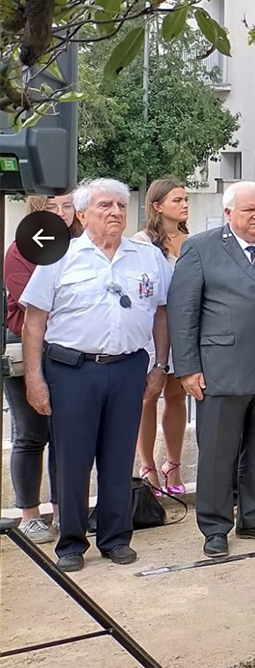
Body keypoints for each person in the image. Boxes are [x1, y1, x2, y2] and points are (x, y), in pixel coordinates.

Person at [20, 180, 169, 572]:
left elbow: (161, 314)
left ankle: (116, 538)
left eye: (121, 204)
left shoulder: (147, 257)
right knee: (72, 460)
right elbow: (34, 323)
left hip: (128, 367)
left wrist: (160, 365)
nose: (116, 211)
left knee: (119, 459)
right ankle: (70, 542)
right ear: (83, 215)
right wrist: (34, 379)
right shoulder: (59, 256)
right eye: (105, 205)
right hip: (72, 371)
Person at [169, 180, 255, 559]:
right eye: (249, 210)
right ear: (229, 212)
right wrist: (187, 368)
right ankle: (215, 527)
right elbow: (184, 313)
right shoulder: (201, 249)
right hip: (223, 370)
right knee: (218, 453)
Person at [4, 193, 76, 544]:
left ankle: (64, 510)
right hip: (28, 347)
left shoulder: (81, 244)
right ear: (37, 208)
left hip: (69, 351)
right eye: (52, 207)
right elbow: (30, 301)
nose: (61, 213)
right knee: (31, 434)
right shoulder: (21, 248)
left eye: (67, 205)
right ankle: (30, 515)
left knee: (65, 435)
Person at [131, 179, 191, 498]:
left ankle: (174, 463)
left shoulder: (193, 241)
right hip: (153, 327)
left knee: (177, 394)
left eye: (185, 199)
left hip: (185, 327)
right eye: (177, 199)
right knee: (148, 396)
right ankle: (147, 466)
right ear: (157, 206)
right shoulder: (141, 243)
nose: (184, 204)